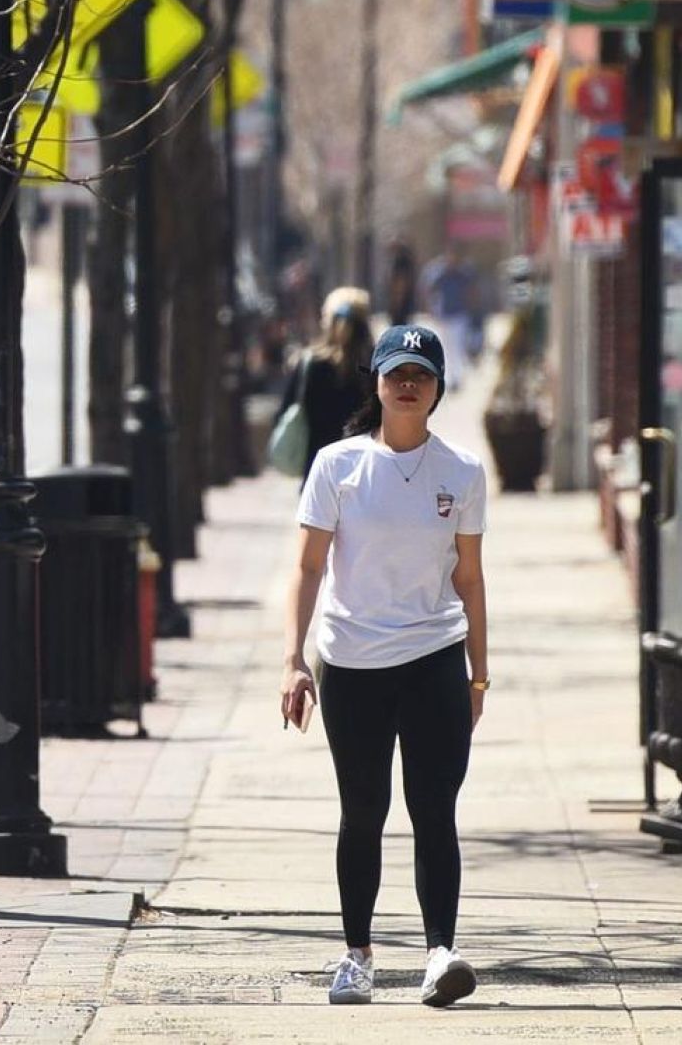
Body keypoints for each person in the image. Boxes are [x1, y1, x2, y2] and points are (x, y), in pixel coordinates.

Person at [281, 323, 489, 1009]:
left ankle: (440, 954)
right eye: (397, 373)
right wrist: (294, 661)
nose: (408, 384)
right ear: (376, 381)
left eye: (421, 375)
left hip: (433, 659)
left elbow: (471, 579)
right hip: (351, 662)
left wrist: (478, 674)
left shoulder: (460, 471)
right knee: (362, 810)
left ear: (437, 389)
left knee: (435, 811)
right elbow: (309, 568)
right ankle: (357, 955)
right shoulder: (338, 465)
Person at [274, 287, 374, 482]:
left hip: (317, 474)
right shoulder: (375, 367)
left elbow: (284, 411)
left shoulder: (310, 364)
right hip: (364, 476)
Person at [418, 246, 477, 391]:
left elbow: (472, 292)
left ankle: (457, 377)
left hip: (459, 314)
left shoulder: (463, 273)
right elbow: (427, 289)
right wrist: (430, 309)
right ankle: (449, 378)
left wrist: (471, 308)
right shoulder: (440, 273)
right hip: (444, 315)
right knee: (446, 348)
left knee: (458, 346)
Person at [384, 238, 418, 327]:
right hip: (403, 302)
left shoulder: (401, 261)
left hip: (401, 303)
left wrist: (397, 301)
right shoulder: (404, 260)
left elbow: (401, 283)